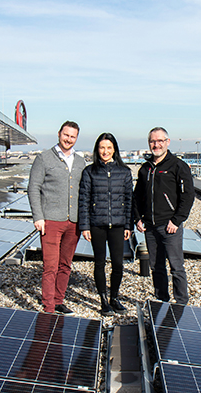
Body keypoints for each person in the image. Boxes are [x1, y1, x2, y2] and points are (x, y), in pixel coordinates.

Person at [28, 121, 85, 314]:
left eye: (72, 136)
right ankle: (49, 306)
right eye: (66, 135)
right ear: (59, 133)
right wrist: (38, 216)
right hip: (50, 221)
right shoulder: (44, 159)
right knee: (50, 265)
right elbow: (33, 187)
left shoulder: (80, 161)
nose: (68, 139)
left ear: (76, 138)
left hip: (74, 222)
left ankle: (59, 299)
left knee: (65, 264)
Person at [133, 127, 195, 305]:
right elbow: (137, 196)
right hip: (150, 227)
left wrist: (177, 220)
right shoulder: (145, 169)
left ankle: (181, 304)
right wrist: (137, 218)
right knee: (156, 267)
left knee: (176, 267)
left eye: (160, 141)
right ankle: (162, 302)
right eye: (153, 141)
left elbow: (188, 196)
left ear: (168, 142)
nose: (156, 144)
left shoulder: (177, 166)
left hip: (169, 226)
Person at [78, 133, 133, 315]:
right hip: (97, 225)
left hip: (118, 225)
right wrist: (85, 226)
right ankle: (103, 300)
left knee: (118, 264)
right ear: (97, 149)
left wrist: (128, 225)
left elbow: (129, 200)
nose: (105, 151)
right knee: (99, 263)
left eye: (109, 148)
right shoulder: (89, 172)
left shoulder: (124, 172)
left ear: (114, 150)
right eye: (102, 148)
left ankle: (114, 298)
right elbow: (84, 200)